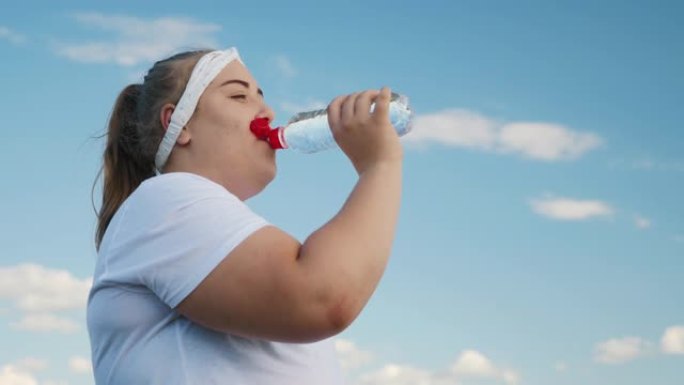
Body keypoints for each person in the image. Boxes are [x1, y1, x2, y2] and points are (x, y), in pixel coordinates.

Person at [87, 47, 403, 385]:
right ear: (177, 124)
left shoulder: (190, 218)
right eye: (239, 95)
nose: (266, 111)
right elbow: (321, 297)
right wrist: (380, 166)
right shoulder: (164, 200)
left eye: (261, 97)